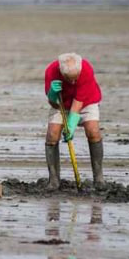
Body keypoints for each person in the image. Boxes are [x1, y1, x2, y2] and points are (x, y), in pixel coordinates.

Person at [44, 52, 104, 190]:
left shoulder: (86, 69)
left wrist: (70, 125)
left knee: (93, 131)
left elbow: (78, 103)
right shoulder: (51, 72)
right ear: (61, 72)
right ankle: (53, 180)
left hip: (86, 101)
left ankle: (99, 179)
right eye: (68, 79)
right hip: (61, 104)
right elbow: (53, 104)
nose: (72, 83)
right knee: (52, 135)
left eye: (75, 79)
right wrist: (52, 94)